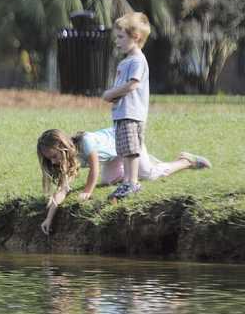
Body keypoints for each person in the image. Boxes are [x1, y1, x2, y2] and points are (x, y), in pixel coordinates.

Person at [37, 128, 211, 235]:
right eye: (49, 159)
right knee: (109, 180)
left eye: (54, 156)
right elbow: (63, 189)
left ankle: (186, 160)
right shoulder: (66, 159)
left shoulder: (85, 142)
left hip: (127, 141)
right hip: (114, 156)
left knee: (150, 174)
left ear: (64, 146)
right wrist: (48, 218)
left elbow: (94, 170)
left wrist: (87, 192)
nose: (53, 161)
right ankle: (136, 168)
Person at [101, 12, 151, 201]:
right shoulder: (126, 61)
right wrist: (114, 97)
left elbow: (132, 85)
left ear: (136, 37)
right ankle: (127, 182)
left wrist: (111, 93)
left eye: (121, 37)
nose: (117, 41)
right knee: (124, 149)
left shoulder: (137, 60)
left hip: (132, 113)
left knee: (131, 149)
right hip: (122, 113)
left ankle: (132, 182)